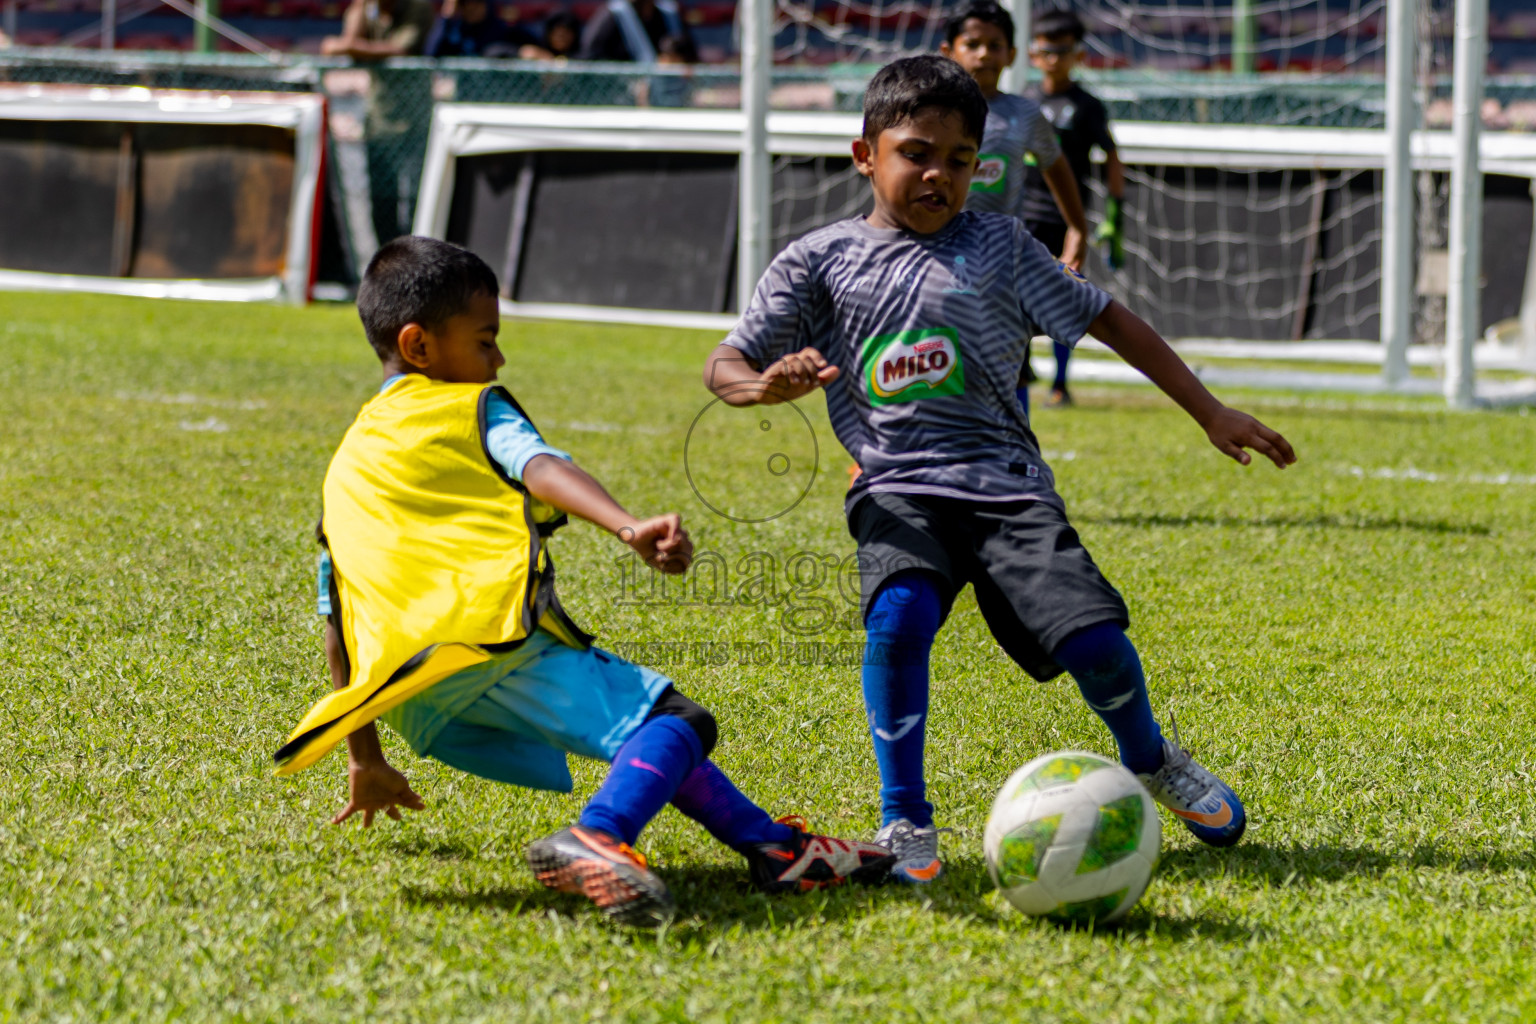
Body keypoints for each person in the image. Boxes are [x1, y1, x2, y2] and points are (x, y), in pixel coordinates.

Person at [702, 55, 1296, 885]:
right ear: (865, 154)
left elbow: (1112, 321)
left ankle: (1153, 757)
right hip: (896, 487)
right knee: (899, 618)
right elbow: (724, 363)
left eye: (959, 160)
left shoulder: (1003, 244)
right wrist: (762, 386)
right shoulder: (818, 261)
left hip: (1007, 486)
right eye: (916, 152)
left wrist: (1210, 411)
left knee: (1096, 641)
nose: (939, 174)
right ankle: (905, 817)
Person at [275, 237, 895, 925]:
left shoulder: (352, 457)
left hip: (409, 691)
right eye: (486, 341)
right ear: (420, 346)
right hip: (487, 647)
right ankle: (598, 836)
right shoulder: (469, 408)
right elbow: (538, 466)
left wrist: (365, 756)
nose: (498, 359)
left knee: (645, 732)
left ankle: (778, 851)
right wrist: (628, 526)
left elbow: (336, 611)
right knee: (676, 721)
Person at [939, 0, 1087, 416]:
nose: (984, 53)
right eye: (972, 43)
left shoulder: (1023, 114)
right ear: (949, 51)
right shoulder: (932, 111)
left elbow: (1057, 169)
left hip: (1000, 257)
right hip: (937, 253)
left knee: (1010, 360)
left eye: (995, 44)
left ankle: (1013, 447)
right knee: (931, 352)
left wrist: (1077, 230)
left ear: (1012, 54)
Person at [1021, 6, 1127, 408]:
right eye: (1047, 51)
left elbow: (1112, 155)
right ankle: (1021, 376)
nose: (1054, 59)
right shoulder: (1022, 103)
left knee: (1064, 299)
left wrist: (1115, 215)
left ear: (1078, 55)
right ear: (1032, 54)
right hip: (1021, 217)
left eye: (1063, 51)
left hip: (1068, 220)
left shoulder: (1088, 106)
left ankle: (1061, 383)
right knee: (1018, 300)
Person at [577, 0, 691, 62]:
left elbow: (690, 55)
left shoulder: (669, 14)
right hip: (619, 94)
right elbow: (590, 56)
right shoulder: (613, 15)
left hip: (667, 90)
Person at [321, 0, 434, 58]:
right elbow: (352, 38)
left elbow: (401, 50)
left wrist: (350, 47)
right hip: (378, 97)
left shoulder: (417, 6)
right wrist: (360, 3)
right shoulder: (370, 7)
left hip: (413, 95)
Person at [424, 0, 537, 57]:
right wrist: (446, 16)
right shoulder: (454, 31)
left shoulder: (502, 28)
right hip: (462, 92)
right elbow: (431, 53)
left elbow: (532, 45)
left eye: (477, 3)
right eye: (466, 4)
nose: (472, 8)